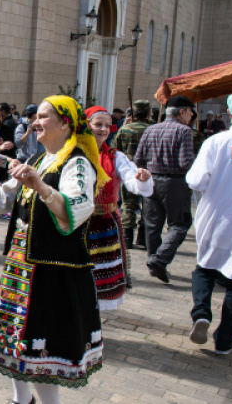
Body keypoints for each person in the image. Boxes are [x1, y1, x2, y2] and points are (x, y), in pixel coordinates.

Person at [0, 95, 109, 404]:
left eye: (44, 117)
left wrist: (43, 188)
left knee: (39, 348)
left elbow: (78, 209)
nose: (36, 122)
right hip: (22, 267)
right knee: (13, 343)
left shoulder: (76, 162)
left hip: (51, 271)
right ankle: (22, 401)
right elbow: (5, 197)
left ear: (65, 124)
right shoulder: (37, 160)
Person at [186, 90, 232, 356]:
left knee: (205, 268)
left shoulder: (217, 141)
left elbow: (196, 180)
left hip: (217, 217)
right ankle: (225, 340)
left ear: (231, 113)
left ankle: (201, 313)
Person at [86, 106, 154, 310]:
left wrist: (141, 178)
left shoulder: (116, 157)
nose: (104, 129)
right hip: (77, 222)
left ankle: (92, 319)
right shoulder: (74, 155)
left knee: (101, 274)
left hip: (105, 223)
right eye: (98, 124)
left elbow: (131, 180)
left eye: (107, 126)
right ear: (87, 126)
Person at [134, 95, 195, 283]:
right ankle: (159, 260)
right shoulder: (184, 132)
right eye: (191, 112)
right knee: (179, 224)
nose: (192, 116)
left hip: (151, 181)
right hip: (175, 183)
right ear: (182, 111)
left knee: (153, 224)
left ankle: (154, 260)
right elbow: (185, 162)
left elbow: (138, 159)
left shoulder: (150, 130)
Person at [112, 100, 152, 249]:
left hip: (128, 170)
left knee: (128, 205)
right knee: (147, 205)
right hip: (148, 172)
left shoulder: (125, 129)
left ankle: (127, 237)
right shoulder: (152, 129)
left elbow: (114, 148)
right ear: (148, 112)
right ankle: (143, 236)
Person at [0, 102, 17, 181]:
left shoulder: (6, 124)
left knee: (3, 176)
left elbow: (5, 142)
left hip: (5, 154)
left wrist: (0, 145)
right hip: (6, 154)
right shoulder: (11, 120)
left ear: (4, 112)